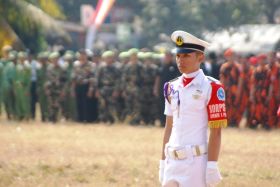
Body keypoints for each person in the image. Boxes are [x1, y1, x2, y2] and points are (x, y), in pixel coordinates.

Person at [159, 30, 227, 187]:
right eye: (178, 56)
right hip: (172, 161)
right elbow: (168, 127)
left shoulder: (212, 87)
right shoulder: (170, 87)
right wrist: (162, 162)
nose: (180, 61)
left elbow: (216, 131)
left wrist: (211, 165)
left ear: (200, 57)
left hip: (196, 163)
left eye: (186, 56)